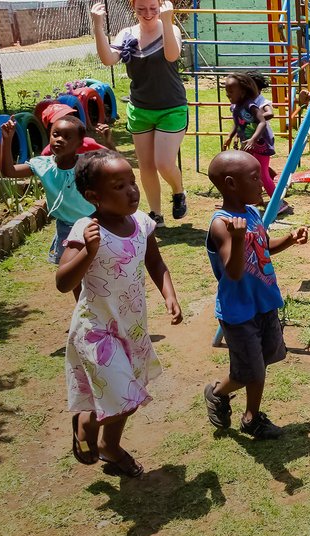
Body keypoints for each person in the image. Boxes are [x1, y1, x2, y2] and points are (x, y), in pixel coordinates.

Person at [58, 149, 182, 477]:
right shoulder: (86, 229)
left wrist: (169, 294)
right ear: (93, 196)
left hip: (132, 327)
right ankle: (87, 422)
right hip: (97, 329)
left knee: (128, 390)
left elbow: (154, 262)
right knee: (124, 394)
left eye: (132, 181)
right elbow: (62, 281)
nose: (132, 191)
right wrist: (88, 251)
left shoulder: (142, 222)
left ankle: (109, 447)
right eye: (119, 186)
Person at [202, 151, 308, 440]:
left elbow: (260, 248)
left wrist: (288, 239)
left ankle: (241, 409)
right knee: (251, 370)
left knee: (264, 359)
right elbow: (233, 271)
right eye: (254, 177)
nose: (262, 182)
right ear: (230, 184)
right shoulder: (221, 224)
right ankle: (229, 401)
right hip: (239, 311)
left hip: (263, 303)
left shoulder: (251, 213)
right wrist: (236, 240)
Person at [90, 0, 188, 225]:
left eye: (153, 8)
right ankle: (156, 214)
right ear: (133, 8)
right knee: (146, 165)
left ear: (161, 6)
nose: (148, 13)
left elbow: (172, 56)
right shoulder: (126, 34)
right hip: (140, 108)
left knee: (163, 163)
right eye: (141, 9)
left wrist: (166, 18)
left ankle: (178, 191)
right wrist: (97, 26)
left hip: (171, 107)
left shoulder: (169, 28)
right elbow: (108, 60)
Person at [0, 115, 96, 282]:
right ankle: (81, 307)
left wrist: (109, 142)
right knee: (71, 275)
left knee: (96, 271)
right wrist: (6, 140)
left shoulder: (86, 164)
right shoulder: (42, 165)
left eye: (67, 137)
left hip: (93, 224)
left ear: (80, 143)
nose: (59, 140)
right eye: (55, 134)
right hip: (66, 228)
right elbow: (9, 171)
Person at [221, 73, 293, 217]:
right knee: (250, 171)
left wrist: (253, 137)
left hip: (261, 143)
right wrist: (230, 136)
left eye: (231, 91)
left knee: (262, 173)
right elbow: (238, 123)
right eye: (227, 92)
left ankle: (279, 203)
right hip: (247, 143)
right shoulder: (237, 106)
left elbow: (263, 121)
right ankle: (253, 199)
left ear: (243, 91)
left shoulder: (251, 105)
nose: (228, 95)